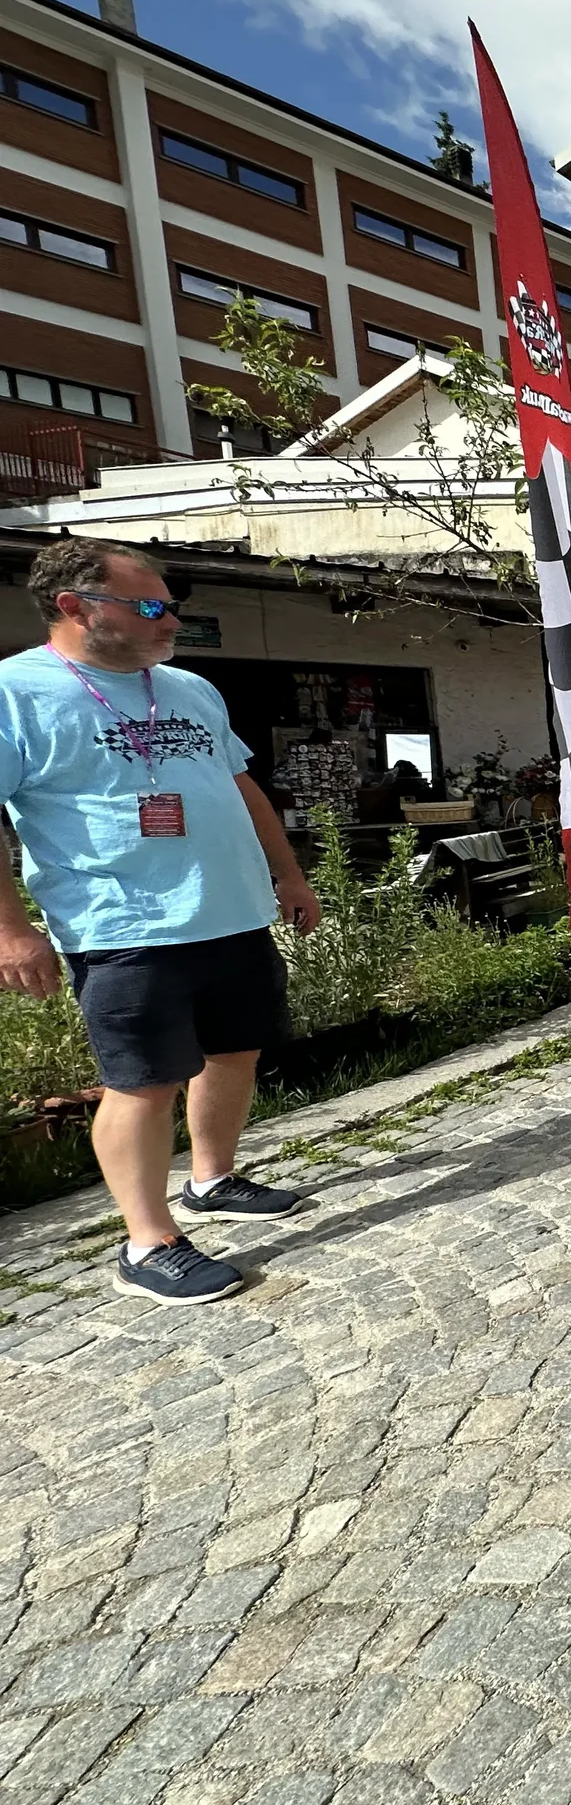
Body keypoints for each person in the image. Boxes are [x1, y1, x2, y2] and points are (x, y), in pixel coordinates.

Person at [0, 538, 321, 1307]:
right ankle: (148, 1241)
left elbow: (239, 786)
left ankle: (211, 1179)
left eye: (170, 603)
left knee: (233, 1051)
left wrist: (287, 872)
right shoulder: (18, 691)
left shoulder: (187, 687)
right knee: (142, 1081)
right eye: (150, 606)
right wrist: (11, 930)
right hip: (124, 924)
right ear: (75, 607)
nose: (171, 617)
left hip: (231, 909)